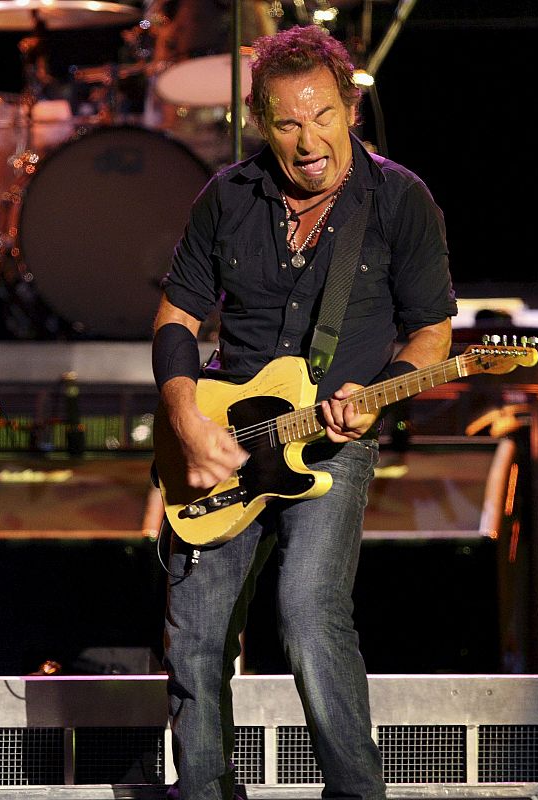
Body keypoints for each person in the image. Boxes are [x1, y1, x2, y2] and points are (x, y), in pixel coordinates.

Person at [151, 24, 456, 800]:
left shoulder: (397, 201)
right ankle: (205, 789)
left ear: (348, 108)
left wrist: (380, 387)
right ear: (259, 120)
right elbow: (175, 317)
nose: (308, 138)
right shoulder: (227, 196)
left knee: (308, 612)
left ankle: (355, 792)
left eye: (321, 115)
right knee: (194, 640)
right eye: (287, 122)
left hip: (330, 439)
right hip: (224, 435)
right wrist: (186, 418)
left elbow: (431, 333)